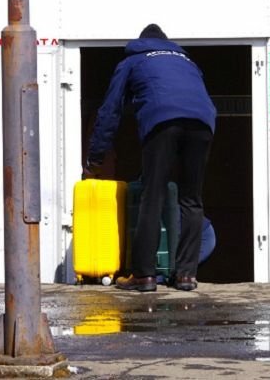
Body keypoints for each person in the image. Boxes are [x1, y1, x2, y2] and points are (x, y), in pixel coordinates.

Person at [86, 23, 215, 292]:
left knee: (152, 193)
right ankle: (186, 276)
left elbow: (110, 111)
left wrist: (95, 159)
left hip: (163, 120)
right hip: (203, 122)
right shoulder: (188, 62)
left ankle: (143, 276)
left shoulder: (133, 60)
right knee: (191, 198)